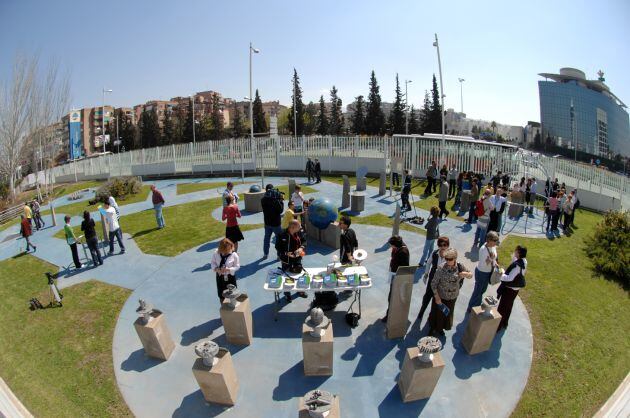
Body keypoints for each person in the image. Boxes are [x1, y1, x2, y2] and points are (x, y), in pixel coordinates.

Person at [428, 248, 472, 336]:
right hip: (441, 297)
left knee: (447, 314)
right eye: (446, 259)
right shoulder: (441, 268)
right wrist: (437, 297)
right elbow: (433, 284)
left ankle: (440, 329)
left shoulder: (460, 266)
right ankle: (433, 328)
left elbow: (470, 275)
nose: (447, 261)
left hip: (452, 297)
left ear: (455, 258)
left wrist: (467, 274)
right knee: (436, 315)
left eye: (450, 259)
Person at [417, 236, 450, 323]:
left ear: (448, 245)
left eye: (445, 245)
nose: (443, 247)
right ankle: (421, 312)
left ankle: (431, 317)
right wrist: (426, 274)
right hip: (432, 280)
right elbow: (428, 263)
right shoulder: (434, 253)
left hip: (441, 282)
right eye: (441, 245)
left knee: (437, 301)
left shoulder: (450, 256)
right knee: (427, 297)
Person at [276, 219, 308, 301]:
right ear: (292, 227)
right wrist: (287, 253)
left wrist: (301, 248)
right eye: (299, 226)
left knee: (299, 274)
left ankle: (300, 291)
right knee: (286, 277)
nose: (300, 228)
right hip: (286, 260)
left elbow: (304, 241)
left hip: (297, 258)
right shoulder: (281, 234)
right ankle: (287, 293)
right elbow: (278, 247)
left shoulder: (299, 232)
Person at [497, 246, 528, 330]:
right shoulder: (524, 261)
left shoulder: (517, 266)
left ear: (518, 253)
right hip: (515, 290)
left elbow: (510, 278)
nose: (514, 251)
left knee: (502, 307)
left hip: (509, 290)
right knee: (508, 306)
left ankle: (498, 326)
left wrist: (501, 274)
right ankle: (504, 323)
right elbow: (514, 261)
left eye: (516, 251)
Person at [467, 231, 499, 311]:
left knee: (482, 290)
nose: (496, 242)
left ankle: (476, 305)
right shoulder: (483, 250)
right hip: (482, 273)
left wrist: (494, 262)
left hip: (487, 272)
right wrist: (491, 259)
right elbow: (485, 264)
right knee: (477, 292)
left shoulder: (493, 246)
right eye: (495, 240)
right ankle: (471, 308)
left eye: (496, 240)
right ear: (489, 240)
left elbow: (494, 257)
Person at [382, 235, 410, 322]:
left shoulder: (403, 252)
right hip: (393, 274)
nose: (391, 246)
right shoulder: (398, 247)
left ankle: (390, 315)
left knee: (393, 297)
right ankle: (390, 314)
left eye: (392, 245)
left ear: (396, 244)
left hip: (398, 278)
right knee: (391, 297)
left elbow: (404, 268)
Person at [210, 238, 240, 302]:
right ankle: (223, 308)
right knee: (221, 294)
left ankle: (234, 307)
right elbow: (213, 263)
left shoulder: (234, 255)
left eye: (228, 249)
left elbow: (237, 266)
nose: (227, 252)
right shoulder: (216, 253)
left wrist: (229, 269)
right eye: (225, 250)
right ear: (221, 249)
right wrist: (216, 269)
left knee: (233, 293)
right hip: (220, 276)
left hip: (230, 277)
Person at [261, 184, 284, 258]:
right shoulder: (275, 200)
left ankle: (265, 254)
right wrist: (281, 200)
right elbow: (280, 210)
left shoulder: (263, 199)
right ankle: (279, 255)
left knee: (266, 239)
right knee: (279, 239)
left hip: (267, 223)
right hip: (276, 224)